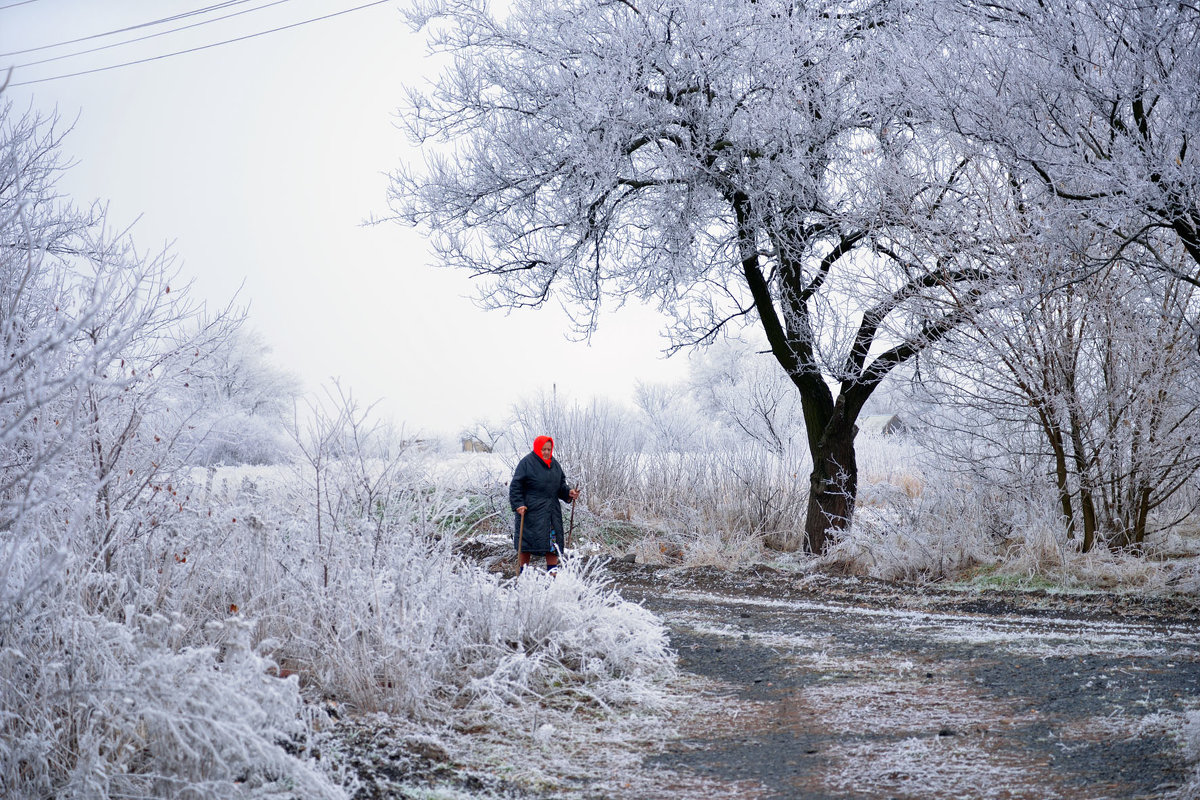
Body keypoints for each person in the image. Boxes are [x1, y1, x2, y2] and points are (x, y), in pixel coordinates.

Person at [509, 435, 579, 574]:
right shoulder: (526, 463)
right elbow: (516, 486)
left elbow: (560, 485)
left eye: (549, 449)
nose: (546, 452)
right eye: (543, 449)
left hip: (551, 512)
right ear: (537, 448)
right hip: (530, 513)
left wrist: (568, 492)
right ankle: (523, 577)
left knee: (553, 546)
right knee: (526, 545)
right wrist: (518, 505)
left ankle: (552, 577)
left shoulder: (555, 465)